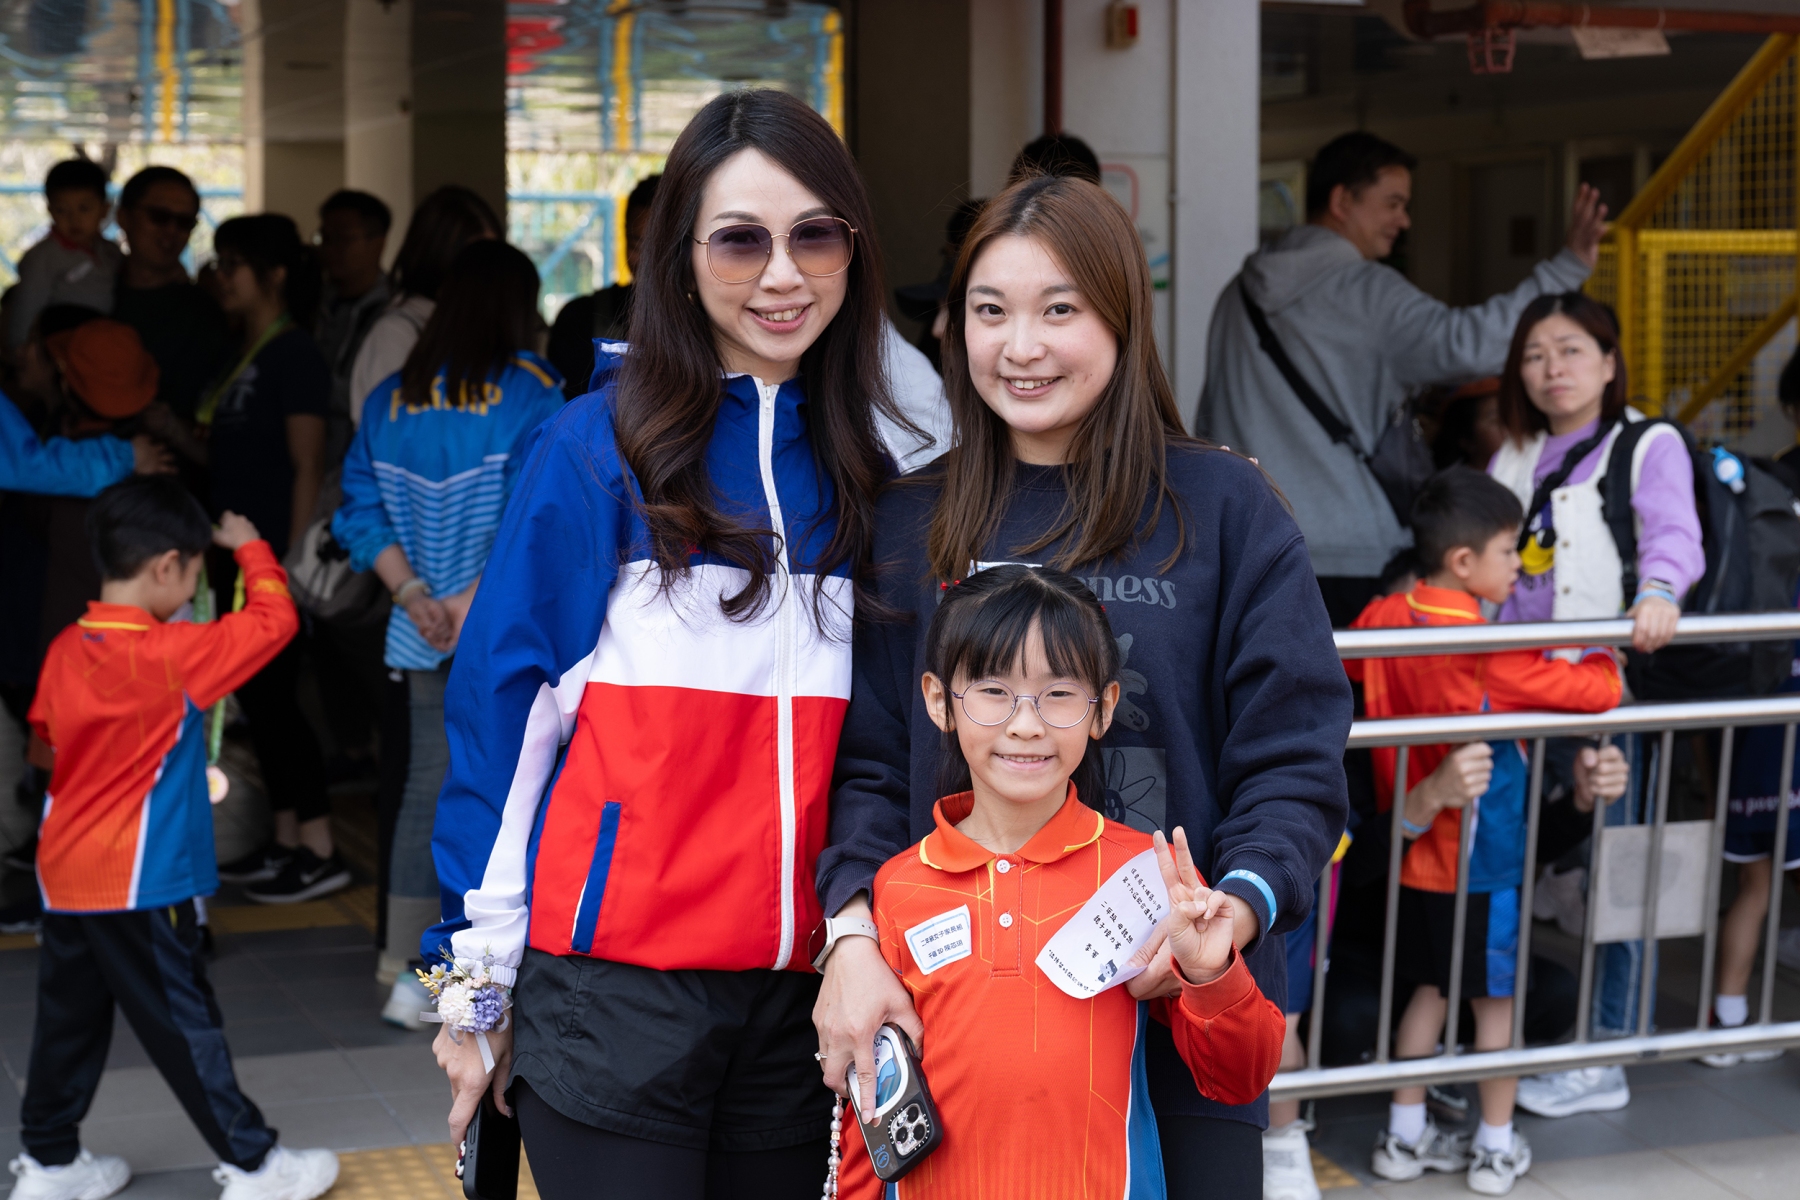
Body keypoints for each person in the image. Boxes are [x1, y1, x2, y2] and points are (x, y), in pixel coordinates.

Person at [815, 173, 1352, 1200]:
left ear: (1120, 317)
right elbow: (871, 763)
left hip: (1178, 1002)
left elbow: (1295, 758)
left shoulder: (1225, 506)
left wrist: (1231, 919)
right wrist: (852, 943)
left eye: (1059, 309)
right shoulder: (907, 520)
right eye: (991, 311)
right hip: (961, 1011)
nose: (1022, 346)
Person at [428, 89, 909, 1200]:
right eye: (740, 240)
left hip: (800, 995)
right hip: (612, 993)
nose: (782, 275)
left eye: (815, 236)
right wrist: (472, 989)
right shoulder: (596, 448)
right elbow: (504, 715)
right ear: (680, 258)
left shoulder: (869, 471)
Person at [834, 565, 1285, 1199]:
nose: (1026, 724)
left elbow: (1240, 1078)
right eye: (993, 690)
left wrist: (1212, 973)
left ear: (1104, 708)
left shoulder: (1146, 876)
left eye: (1060, 693)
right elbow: (872, 1106)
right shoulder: (898, 888)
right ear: (938, 701)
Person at [17, 476, 338, 1200]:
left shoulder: (65, 647)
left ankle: (50, 1163)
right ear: (167, 566)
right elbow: (274, 620)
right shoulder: (174, 653)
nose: (196, 588)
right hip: (140, 880)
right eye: (196, 572)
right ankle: (257, 1165)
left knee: (67, 1024)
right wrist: (249, 546)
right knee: (185, 1025)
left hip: (63, 873)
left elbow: (46, 743)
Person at [1197, 131, 1609, 627]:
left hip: (1245, 548)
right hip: (1351, 554)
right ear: (1341, 201)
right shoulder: (1367, 290)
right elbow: (1465, 344)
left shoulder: (1235, 295)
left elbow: (1210, 418)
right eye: (1393, 203)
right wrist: (1566, 268)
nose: (1404, 220)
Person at [1348, 467, 1622, 1195]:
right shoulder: (1489, 649)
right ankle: (1497, 1146)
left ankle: (1403, 1137)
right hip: (1483, 861)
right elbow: (1595, 691)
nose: (1521, 565)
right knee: (1495, 1005)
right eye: (1509, 550)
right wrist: (1605, 652)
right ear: (1464, 561)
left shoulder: (1384, 617)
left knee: (1428, 992)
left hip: (1415, 853)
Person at [332, 240, 565, 1028]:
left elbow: (358, 508)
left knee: (423, 795)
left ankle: (409, 976)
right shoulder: (533, 390)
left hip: (419, 629)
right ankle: (475, 977)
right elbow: (538, 510)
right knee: (506, 797)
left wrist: (414, 594)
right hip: (507, 633)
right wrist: (472, 602)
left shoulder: (389, 399)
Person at [1485, 293, 1704, 1119]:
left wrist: (1659, 593)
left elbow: (1673, 534)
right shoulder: (1517, 453)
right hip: (1517, 696)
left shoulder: (1646, 443)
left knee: (1620, 874)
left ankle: (1607, 1051)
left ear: (1610, 363)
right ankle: (1510, 1037)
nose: (1553, 369)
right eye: (1535, 354)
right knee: (1518, 863)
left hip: (1605, 697)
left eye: (1572, 350)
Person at [200, 215, 348, 905]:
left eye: (232, 263)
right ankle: (287, 840)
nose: (221, 276)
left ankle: (319, 847)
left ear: (275, 273)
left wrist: (283, 567)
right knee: (260, 702)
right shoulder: (244, 350)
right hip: (237, 558)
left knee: (281, 704)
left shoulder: (293, 354)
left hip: (269, 564)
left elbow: (306, 464)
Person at [347, 186, 502, 426]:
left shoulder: (483, 323)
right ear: (438, 257)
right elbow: (389, 431)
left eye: (495, 258)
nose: (488, 272)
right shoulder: (396, 334)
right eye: (474, 260)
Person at [110, 167, 233, 423]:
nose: (172, 231)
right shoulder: (90, 295)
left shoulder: (205, 315)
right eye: (159, 216)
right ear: (123, 217)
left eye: (185, 222)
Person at [546, 174, 659, 399]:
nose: (647, 262)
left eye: (660, 248)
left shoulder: (713, 325)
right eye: (637, 246)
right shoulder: (579, 320)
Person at [6, 159, 121, 353]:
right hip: (60, 350)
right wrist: (19, 353)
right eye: (62, 210)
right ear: (50, 211)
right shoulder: (43, 258)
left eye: (84, 209)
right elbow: (25, 308)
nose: (74, 219)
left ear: (104, 210)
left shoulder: (110, 252)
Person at [314, 189, 393, 462]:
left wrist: (302, 385)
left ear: (378, 243)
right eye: (325, 238)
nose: (331, 249)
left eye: (344, 239)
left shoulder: (394, 314)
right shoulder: (314, 304)